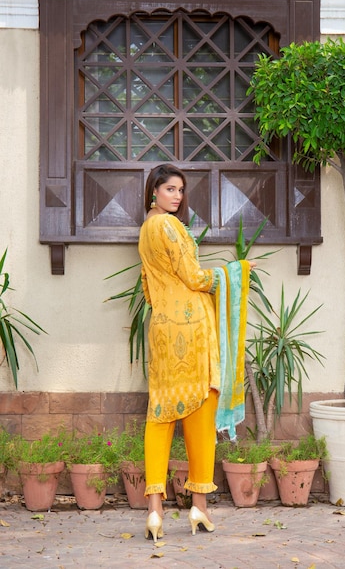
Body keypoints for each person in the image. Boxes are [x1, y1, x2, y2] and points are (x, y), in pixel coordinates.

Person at [138, 163, 255, 542]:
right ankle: (199, 507)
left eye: (180, 190)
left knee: (160, 413)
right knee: (202, 410)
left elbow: (147, 287)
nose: (177, 195)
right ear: (153, 191)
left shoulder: (145, 231)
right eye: (170, 188)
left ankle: (154, 511)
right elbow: (193, 276)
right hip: (191, 330)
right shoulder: (169, 227)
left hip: (162, 328)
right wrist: (233, 272)